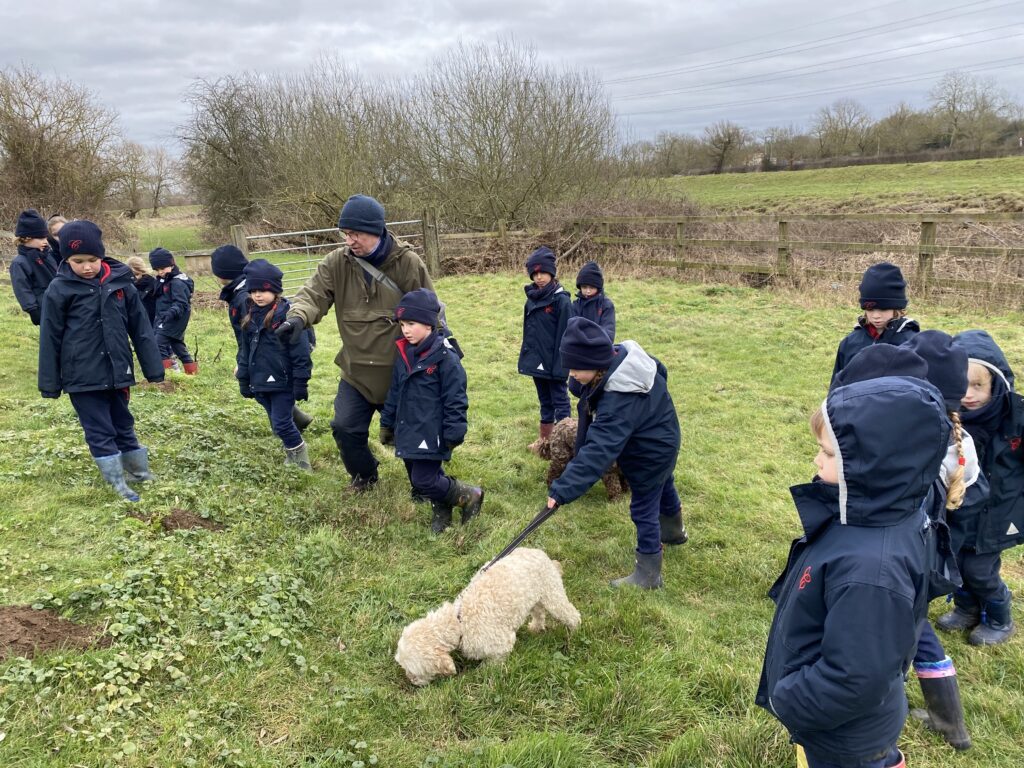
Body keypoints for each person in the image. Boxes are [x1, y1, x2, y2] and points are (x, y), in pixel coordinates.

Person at [756, 374, 950, 768]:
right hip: (847, 723)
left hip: (841, 734)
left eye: (828, 454)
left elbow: (855, 678)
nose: (816, 460)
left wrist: (787, 698)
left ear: (873, 466)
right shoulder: (881, 513)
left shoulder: (871, 569)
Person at [835, 338, 976, 751]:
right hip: (925, 556)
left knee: (908, 637)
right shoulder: (955, 446)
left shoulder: (917, 456)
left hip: (905, 559)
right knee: (916, 630)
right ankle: (949, 721)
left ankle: (934, 721)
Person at [274, 194, 434, 492]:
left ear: (377, 231)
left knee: (409, 435)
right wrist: (297, 318)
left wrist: (437, 355)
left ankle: (424, 486)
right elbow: (313, 295)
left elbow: (430, 311)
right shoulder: (337, 262)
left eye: (356, 233)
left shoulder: (408, 264)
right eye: (346, 234)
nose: (350, 240)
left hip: (402, 373)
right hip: (356, 372)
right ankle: (364, 476)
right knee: (345, 427)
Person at [545, 317, 686, 589]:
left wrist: (562, 490)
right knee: (664, 482)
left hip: (650, 450)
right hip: (665, 435)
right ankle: (674, 532)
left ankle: (648, 573)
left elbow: (597, 452)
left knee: (643, 505)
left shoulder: (620, 400)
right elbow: (661, 370)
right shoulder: (624, 358)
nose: (571, 374)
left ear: (595, 363)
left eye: (575, 368)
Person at [38, 220, 164, 501]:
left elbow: (141, 329)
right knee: (99, 428)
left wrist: (153, 368)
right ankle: (117, 481)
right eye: (77, 261)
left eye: (92, 260)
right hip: (81, 376)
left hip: (118, 370)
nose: (86, 267)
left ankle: (139, 472)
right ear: (66, 259)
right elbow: (50, 338)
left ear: (102, 255)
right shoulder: (59, 290)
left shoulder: (122, 285)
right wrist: (50, 382)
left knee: (123, 422)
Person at [938, 330, 1022, 645]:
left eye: (978, 385)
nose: (969, 394)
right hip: (959, 510)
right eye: (962, 385)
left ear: (995, 384)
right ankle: (966, 608)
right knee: (956, 564)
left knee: (981, 570)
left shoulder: (1015, 419)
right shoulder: (947, 419)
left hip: (997, 514)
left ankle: (1000, 618)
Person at [380, 289, 483, 532]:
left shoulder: (445, 357)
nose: (405, 330)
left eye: (411, 323)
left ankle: (470, 495)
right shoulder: (404, 353)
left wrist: (454, 430)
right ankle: (443, 511)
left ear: (428, 324)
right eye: (402, 324)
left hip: (432, 429)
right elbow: (395, 390)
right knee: (426, 476)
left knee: (422, 479)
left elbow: (455, 396)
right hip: (408, 427)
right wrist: (387, 422)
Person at [211, 244, 314, 431]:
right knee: (265, 388)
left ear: (222, 273)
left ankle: (286, 426)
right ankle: (294, 420)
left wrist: (244, 361)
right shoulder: (244, 292)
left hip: (273, 354)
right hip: (261, 353)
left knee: (268, 388)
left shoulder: (245, 298)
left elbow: (253, 334)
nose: (257, 294)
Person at [236, 259, 313, 471]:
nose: (258, 295)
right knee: (279, 423)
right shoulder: (249, 315)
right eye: (253, 290)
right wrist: (244, 378)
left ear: (275, 290)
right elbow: (245, 350)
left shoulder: (287, 316)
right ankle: (292, 453)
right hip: (259, 379)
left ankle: (301, 462)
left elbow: (300, 351)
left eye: (263, 290)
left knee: (281, 423)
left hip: (283, 380)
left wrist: (300, 381)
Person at [519, 246, 573, 452]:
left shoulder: (562, 301)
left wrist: (562, 366)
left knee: (560, 400)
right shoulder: (531, 299)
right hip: (537, 361)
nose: (539, 277)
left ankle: (566, 442)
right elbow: (529, 333)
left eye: (543, 273)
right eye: (535, 273)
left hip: (555, 362)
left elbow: (566, 336)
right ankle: (545, 442)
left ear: (552, 273)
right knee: (544, 401)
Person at [831, 262, 919, 386]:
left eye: (883, 309)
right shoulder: (850, 343)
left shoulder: (912, 343)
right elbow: (836, 388)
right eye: (870, 309)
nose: (876, 316)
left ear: (897, 309)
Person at [149, 247, 196, 374]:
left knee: (157, 344)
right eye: (157, 270)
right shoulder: (163, 281)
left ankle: (169, 374)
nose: (160, 272)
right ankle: (191, 372)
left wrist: (170, 313)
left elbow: (181, 303)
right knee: (177, 345)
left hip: (173, 319)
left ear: (172, 264)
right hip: (166, 318)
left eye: (162, 268)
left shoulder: (177, 283)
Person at [9, 209, 59, 326]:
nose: (46, 241)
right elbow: (22, 288)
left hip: (59, 304)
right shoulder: (19, 263)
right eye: (41, 238)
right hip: (43, 309)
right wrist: (33, 310)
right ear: (27, 238)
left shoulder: (47, 255)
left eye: (46, 238)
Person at [571, 260, 615, 341]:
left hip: (600, 347)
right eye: (584, 287)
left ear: (598, 287)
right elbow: (571, 331)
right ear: (580, 287)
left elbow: (609, 333)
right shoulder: (575, 305)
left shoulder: (606, 305)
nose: (588, 291)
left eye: (591, 287)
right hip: (579, 347)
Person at [126, 256, 158, 326]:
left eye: (137, 274)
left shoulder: (153, 284)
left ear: (142, 272)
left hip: (153, 322)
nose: (134, 278)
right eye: (131, 275)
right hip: (137, 324)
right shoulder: (127, 286)